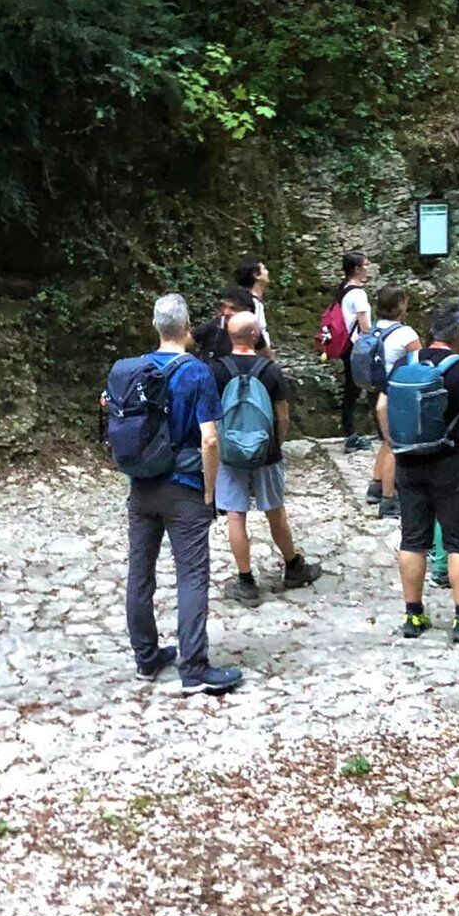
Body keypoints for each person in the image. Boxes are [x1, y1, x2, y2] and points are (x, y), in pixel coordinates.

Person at [123, 294, 242, 695]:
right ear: (188, 326)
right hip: (184, 487)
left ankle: (146, 658)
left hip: (141, 487)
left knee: (140, 573)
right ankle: (193, 667)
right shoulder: (196, 373)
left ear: (155, 326)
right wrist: (210, 492)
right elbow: (209, 440)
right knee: (191, 576)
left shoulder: (134, 369)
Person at [379, 305, 459, 644]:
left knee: (413, 539)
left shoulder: (405, 363)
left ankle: (414, 614)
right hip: (451, 462)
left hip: (409, 461)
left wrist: (394, 443)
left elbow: (382, 407)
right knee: (458, 539)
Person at [210, 311, 322, 605]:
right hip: (266, 451)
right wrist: (275, 444)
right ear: (254, 335)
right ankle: (293, 566)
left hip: (230, 453)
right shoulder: (270, 370)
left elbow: (211, 415)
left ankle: (246, 582)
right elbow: (282, 416)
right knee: (275, 511)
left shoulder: (217, 370)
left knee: (235, 515)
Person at [364, 285, 422, 519]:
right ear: (400, 305)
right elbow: (421, 363)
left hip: (375, 389)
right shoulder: (406, 334)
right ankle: (389, 499)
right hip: (396, 393)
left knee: (385, 441)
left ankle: (376, 486)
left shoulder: (373, 329)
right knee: (395, 446)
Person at [337, 252, 375, 454]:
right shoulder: (358, 294)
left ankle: (351, 433)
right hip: (358, 348)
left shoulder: (344, 289)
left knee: (353, 389)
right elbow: (366, 327)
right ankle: (351, 436)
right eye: (366, 264)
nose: (369, 267)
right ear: (358, 269)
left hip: (347, 346)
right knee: (361, 388)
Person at [191, 286, 268, 365]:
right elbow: (184, 341)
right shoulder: (213, 326)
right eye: (223, 307)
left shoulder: (252, 333)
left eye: (233, 309)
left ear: (246, 311)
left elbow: (267, 357)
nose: (226, 312)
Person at [235, 256, 275, 357]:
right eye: (264, 269)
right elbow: (253, 333)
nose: (267, 272)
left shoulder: (257, 301)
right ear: (256, 275)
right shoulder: (249, 303)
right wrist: (268, 354)